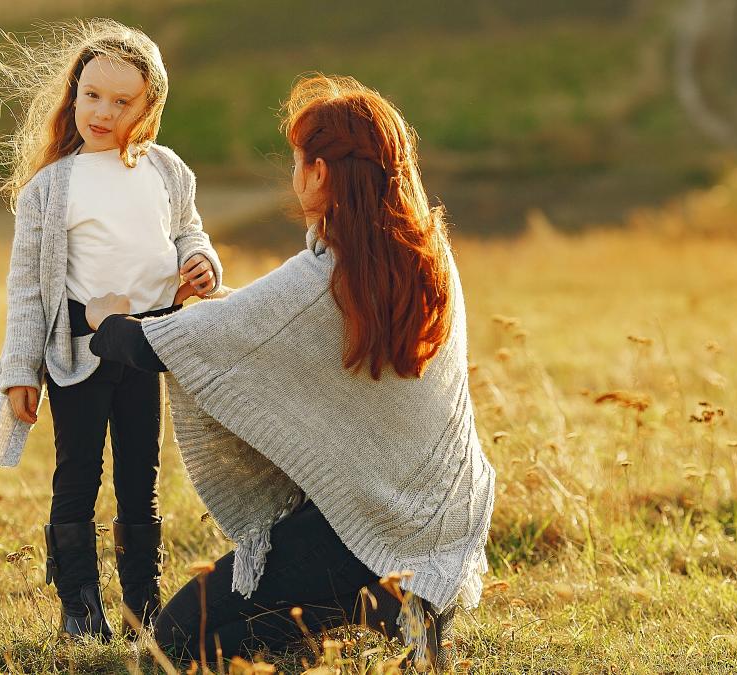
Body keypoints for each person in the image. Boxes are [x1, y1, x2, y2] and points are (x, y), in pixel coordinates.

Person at [85, 74, 495, 671]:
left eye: (299, 160)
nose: (294, 173)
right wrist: (227, 303)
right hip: (447, 511)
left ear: (321, 174)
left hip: (368, 527)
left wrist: (106, 320)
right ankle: (396, 605)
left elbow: (155, 347)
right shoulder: (428, 252)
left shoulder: (319, 281)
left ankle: (366, 606)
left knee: (168, 647)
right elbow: (290, 326)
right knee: (240, 624)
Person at [0, 19, 222, 642]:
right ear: (73, 94)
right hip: (76, 351)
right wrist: (21, 371)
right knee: (77, 474)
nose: (102, 112)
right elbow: (28, 289)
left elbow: (188, 229)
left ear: (149, 107)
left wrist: (202, 260)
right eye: (91, 95)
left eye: (121, 101)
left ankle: (143, 605)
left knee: (142, 476)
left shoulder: (166, 170)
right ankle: (80, 608)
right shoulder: (49, 190)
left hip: (147, 344)